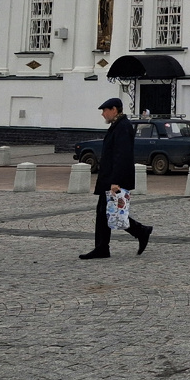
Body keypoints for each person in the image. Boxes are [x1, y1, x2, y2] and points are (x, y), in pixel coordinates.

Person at [79, 98, 153, 259]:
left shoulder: (123, 127)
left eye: (104, 110)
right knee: (105, 212)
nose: (102, 114)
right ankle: (104, 247)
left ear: (114, 109)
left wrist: (116, 181)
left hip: (114, 178)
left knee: (108, 212)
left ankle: (139, 232)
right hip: (109, 176)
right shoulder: (117, 125)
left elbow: (122, 155)